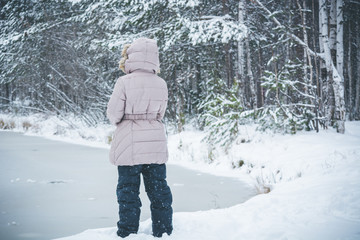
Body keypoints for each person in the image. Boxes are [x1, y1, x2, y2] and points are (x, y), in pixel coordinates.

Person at [106, 38, 173, 238]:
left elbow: (113, 114)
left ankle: (128, 233)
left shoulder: (124, 82)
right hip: (155, 142)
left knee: (128, 193)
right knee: (159, 192)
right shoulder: (161, 83)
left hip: (129, 144)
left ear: (131, 57)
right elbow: (161, 113)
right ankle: (163, 232)